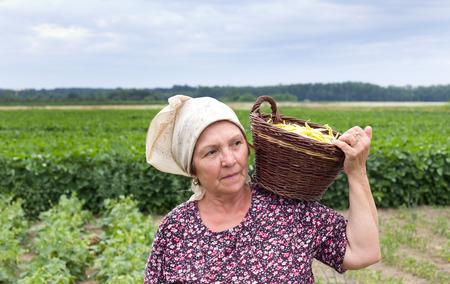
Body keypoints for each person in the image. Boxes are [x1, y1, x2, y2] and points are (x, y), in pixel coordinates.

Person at [143, 95, 380, 283]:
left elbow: (363, 252)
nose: (229, 160)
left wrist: (357, 171)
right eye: (211, 152)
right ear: (192, 169)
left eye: (236, 144)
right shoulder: (175, 229)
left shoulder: (288, 209)